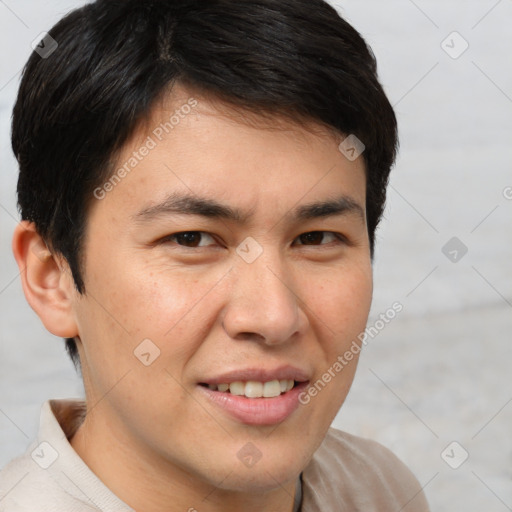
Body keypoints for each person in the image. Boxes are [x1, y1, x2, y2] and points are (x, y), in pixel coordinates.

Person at [0, 0, 430, 510]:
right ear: (52, 278)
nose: (273, 316)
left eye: (315, 238)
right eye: (192, 240)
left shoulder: (377, 489)